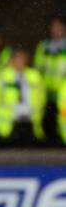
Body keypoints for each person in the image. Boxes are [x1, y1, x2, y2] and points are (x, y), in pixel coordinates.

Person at [0, 48, 46, 148]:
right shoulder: (1, 76)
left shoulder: (34, 76)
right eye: (17, 59)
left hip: (30, 121)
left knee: (31, 151)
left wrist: (38, 113)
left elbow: (41, 97)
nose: (20, 62)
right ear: (11, 60)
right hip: (9, 122)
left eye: (22, 59)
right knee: (10, 151)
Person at [34, 14, 66, 145]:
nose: (56, 30)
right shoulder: (43, 47)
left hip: (63, 94)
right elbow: (37, 69)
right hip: (46, 92)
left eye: (59, 27)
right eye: (53, 27)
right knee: (47, 123)